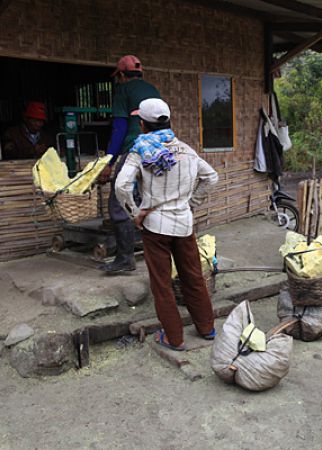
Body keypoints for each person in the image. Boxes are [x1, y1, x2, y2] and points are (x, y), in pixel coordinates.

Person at [115, 98, 219, 350]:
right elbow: (211, 177)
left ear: (142, 124)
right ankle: (207, 328)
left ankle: (175, 338)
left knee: (162, 285)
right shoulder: (186, 150)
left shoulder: (140, 151)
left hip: (155, 227)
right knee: (193, 276)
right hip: (184, 224)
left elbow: (121, 185)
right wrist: (191, 203)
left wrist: (135, 213)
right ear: (168, 120)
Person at [99, 55, 161, 273]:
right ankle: (157, 255)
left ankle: (125, 259)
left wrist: (109, 162)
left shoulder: (123, 91)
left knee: (118, 203)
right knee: (150, 200)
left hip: (134, 151)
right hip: (157, 152)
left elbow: (119, 130)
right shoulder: (153, 90)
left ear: (122, 75)